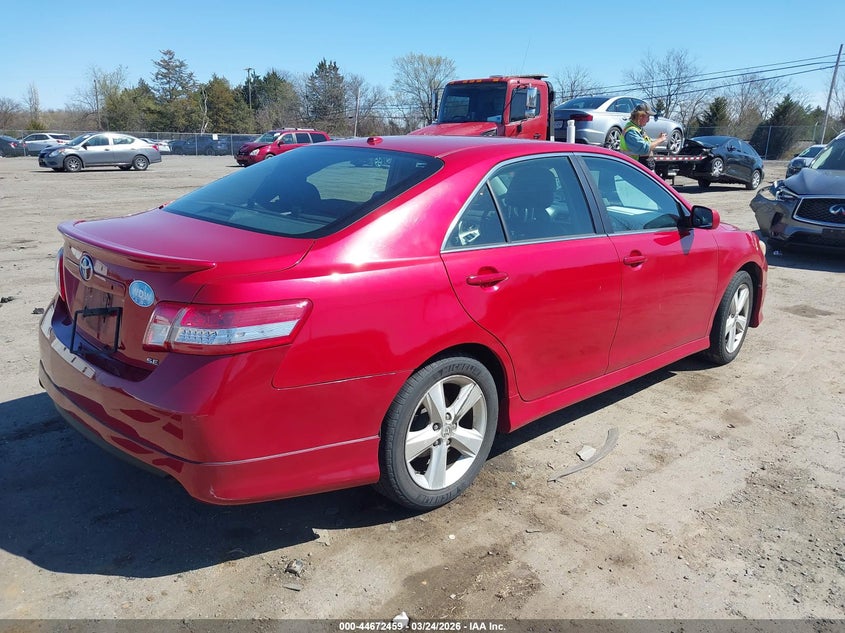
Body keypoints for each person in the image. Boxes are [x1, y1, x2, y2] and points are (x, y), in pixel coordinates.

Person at [619, 104, 667, 171]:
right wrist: (660, 140)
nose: (648, 120)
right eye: (647, 117)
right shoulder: (631, 131)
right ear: (640, 116)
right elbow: (644, 149)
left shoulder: (638, 129)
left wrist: (656, 140)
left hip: (636, 168)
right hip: (632, 168)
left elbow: (648, 146)